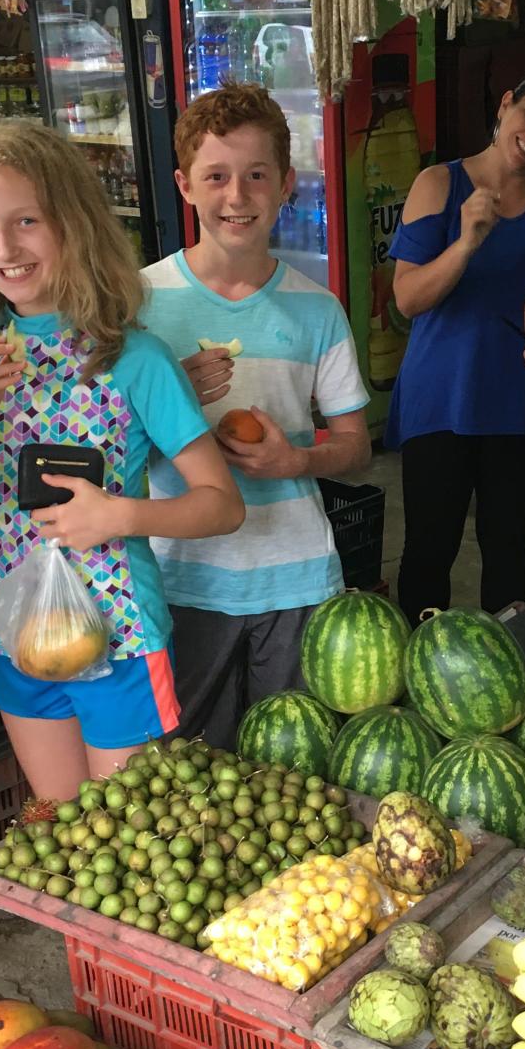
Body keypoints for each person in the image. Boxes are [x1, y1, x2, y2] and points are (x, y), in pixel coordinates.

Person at [0, 119, 243, 797]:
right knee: (61, 826)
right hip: (18, 635)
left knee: (124, 839)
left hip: (122, 639)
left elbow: (222, 503)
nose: (4, 247)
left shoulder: (136, 359)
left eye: (26, 220)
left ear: (71, 222)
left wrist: (118, 515)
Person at [141, 82, 371, 752]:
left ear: (286, 183)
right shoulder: (141, 302)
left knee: (292, 771)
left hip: (295, 574)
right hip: (182, 575)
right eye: (216, 176)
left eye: (256, 175)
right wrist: (170, 395)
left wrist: (297, 460)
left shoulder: (318, 309)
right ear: (186, 185)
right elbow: (104, 441)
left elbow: (355, 444)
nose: (237, 196)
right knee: (187, 768)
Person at [387, 69, 525, 625]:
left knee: (507, 544)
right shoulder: (440, 184)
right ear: (505, 105)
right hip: (441, 398)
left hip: (517, 401)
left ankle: (507, 673)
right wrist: (468, 242)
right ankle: (417, 676)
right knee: (430, 546)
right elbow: (407, 299)